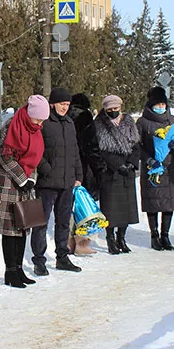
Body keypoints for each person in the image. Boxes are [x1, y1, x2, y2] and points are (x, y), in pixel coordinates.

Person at [0, 95, 50, 287]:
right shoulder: (11, 126)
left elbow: (35, 157)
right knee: (10, 230)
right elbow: (5, 156)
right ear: (29, 114)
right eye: (38, 119)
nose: (40, 124)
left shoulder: (35, 130)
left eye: (42, 120)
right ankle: (10, 271)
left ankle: (19, 268)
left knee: (23, 227)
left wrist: (31, 178)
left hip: (26, 184)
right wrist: (22, 178)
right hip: (9, 183)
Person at [31, 88, 84, 274]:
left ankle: (62, 257)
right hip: (46, 183)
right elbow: (35, 150)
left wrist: (78, 174)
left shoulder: (69, 123)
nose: (64, 107)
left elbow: (75, 150)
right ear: (52, 104)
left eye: (67, 104)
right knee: (40, 223)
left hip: (67, 182)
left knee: (63, 222)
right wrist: (46, 169)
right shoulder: (44, 122)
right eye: (62, 104)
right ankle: (39, 260)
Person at [137, 87, 174, 251]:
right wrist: (149, 160)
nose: (161, 107)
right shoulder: (143, 122)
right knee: (153, 201)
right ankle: (154, 235)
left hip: (171, 166)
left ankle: (165, 235)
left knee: (169, 201)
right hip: (153, 167)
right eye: (157, 104)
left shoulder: (172, 120)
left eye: (163, 104)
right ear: (151, 105)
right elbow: (137, 146)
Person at [93, 95, 140, 254]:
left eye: (116, 108)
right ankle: (110, 238)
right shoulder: (99, 124)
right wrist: (118, 165)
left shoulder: (129, 121)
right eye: (110, 109)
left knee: (127, 208)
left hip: (128, 171)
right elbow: (101, 150)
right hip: (111, 172)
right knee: (111, 208)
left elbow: (136, 145)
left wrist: (132, 163)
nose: (113, 111)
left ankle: (122, 237)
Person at [68, 93, 107, 255]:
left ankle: (68, 242)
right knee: (84, 206)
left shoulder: (65, 116)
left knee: (69, 206)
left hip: (67, 167)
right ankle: (82, 243)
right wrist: (100, 167)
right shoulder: (85, 117)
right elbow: (91, 146)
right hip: (84, 168)